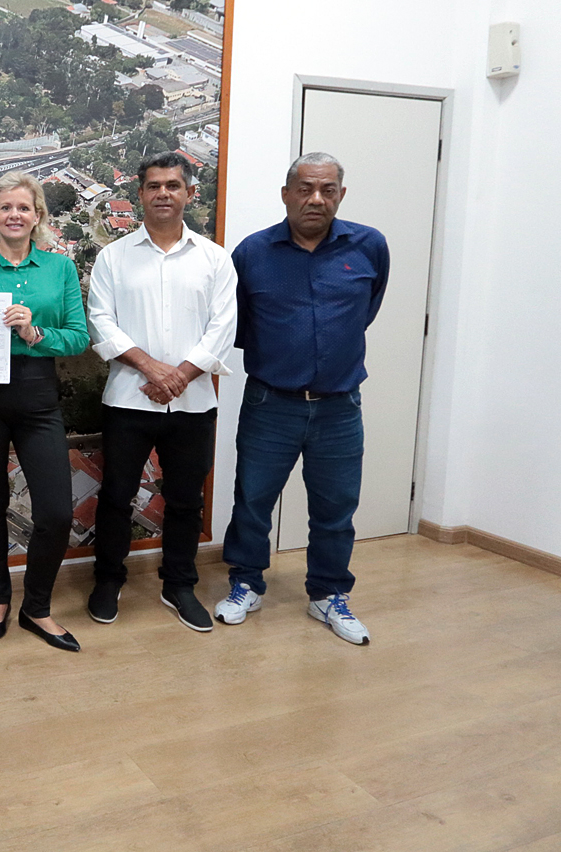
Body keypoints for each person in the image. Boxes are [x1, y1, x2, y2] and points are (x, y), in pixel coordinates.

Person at [216, 152, 388, 645]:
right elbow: (239, 326)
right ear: (286, 194)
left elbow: (366, 311)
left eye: (327, 190)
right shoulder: (252, 253)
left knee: (336, 507)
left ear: (341, 195)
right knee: (252, 500)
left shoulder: (369, 247)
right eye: (306, 189)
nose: (316, 199)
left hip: (339, 407)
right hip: (271, 403)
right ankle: (246, 583)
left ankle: (328, 594)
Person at [85, 151, 238, 632]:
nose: (163, 193)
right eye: (154, 186)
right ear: (140, 194)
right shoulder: (114, 257)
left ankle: (179, 585)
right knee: (116, 496)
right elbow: (100, 321)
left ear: (190, 193)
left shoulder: (215, 259)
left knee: (186, 500)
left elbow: (223, 328)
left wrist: (180, 376)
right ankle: (108, 580)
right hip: (129, 400)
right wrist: (152, 368)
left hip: (194, 403)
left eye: (173, 185)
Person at [0, 172, 88, 652]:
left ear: (38, 216)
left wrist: (35, 333)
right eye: (5, 207)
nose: (14, 215)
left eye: (23, 208)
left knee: (55, 512)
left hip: (37, 395)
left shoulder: (60, 268)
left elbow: (79, 337)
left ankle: (37, 607)